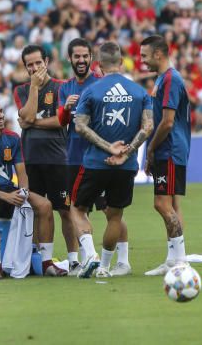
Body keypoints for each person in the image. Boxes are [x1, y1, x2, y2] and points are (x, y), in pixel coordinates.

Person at [72, 42, 153, 278]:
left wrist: (109, 148)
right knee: (115, 216)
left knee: (78, 209)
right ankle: (105, 268)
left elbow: (79, 126)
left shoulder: (92, 91)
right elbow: (147, 127)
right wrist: (126, 153)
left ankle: (92, 257)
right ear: (121, 61)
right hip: (126, 166)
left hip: (96, 163)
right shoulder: (139, 92)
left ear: (98, 65)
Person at [0, 96, 67, 279]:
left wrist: (23, 193)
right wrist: (5, 197)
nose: (0, 116)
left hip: (9, 191)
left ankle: (47, 264)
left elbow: (22, 173)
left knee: (44, 205)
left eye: (1, 111)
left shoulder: (12, 138)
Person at [58, 38, 129, 276]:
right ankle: (86, 258)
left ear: (92, 58)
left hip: (98, 158)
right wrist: (65, 109)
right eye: (76, 56)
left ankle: (122, 261)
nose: (81, 60)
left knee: (111, 210)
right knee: (75, 209)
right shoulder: (65, 88)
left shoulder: (101, 85)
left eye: (84, 56)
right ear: (69, 59)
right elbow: (61, 123)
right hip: (73, 157)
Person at [14, 45, 78, 270]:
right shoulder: (21, 90)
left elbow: (61, 121)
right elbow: (28, 113)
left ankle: (74, 260)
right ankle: (37, 261)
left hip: (58, 158)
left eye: (37, 63)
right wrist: (33, 88)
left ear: (46, 61)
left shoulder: (61, 87)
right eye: (29, 64)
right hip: (30, 159)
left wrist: (31, 123)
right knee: (35, 211)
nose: (34, 68)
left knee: (65, 210)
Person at [140, 35, 191, 276]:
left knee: (161, 204)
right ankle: (173, 259)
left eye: (144, 56)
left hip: (168, 149)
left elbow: (168, 122)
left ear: (158, 54)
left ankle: (180, 260)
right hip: (168, 149)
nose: (142, 61)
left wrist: (150, 149)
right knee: (170, 204)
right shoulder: (163, 79)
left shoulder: (170, 79)